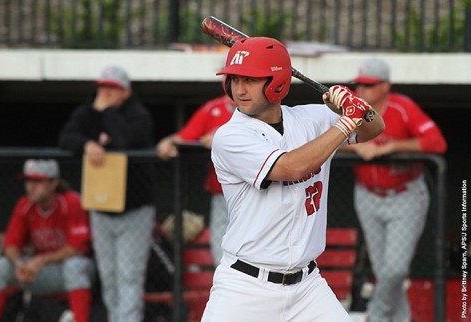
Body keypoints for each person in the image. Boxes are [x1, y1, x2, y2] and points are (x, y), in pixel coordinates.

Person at [200, 37, 385, 322]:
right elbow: (291, 167)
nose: (239, 89)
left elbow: (375, 128)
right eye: (234, 80)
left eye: (250, 80)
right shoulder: (230, 136)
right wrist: (346, 121)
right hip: (246, 288)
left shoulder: (310, 119)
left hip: (307, 288)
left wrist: (354, 105)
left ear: (277, 83)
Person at [343, 57, 447, 322]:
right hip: (367, 195)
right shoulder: (351, 110)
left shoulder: (402, 108)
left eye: (369, 85)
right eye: (359, 85)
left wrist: (394, 147)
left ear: (385, 86)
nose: (362, 91)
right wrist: (355, 146)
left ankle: (376, 317)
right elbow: (320, 137)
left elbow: (437, 142)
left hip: (405, 195)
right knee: (384, 271)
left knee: (395, 270)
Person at [58, 65, 155, 322]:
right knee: (108, 276)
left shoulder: (138, 114)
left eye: (113, 88)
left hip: (134, 210)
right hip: (101, 208)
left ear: (126, 91)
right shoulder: (87, 113)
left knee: (129, 276)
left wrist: (108, 112)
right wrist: (86, 143)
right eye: (103, 87)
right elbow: (66, 137)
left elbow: (125, 139)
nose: (106, 93)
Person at [0, 159, 94, 322]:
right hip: (38, 272)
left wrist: (40, 260)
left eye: (37, 181)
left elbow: (78, 248)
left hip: (69, 271)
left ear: (54, 183)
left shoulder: (72, 202)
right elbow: (10, 244)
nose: (30, 186)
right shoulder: (24, 204)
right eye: (28, 180)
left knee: (75, 266)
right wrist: (19, 264)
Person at [157, 93, 236, 264]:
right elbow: (185, 137)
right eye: (230, 78)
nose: (236, 85)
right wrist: (169, 141)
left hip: (257, 190)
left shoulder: (261, 106)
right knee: (221, 244)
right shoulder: (213, 108)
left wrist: (224, 137)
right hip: (221, 192)